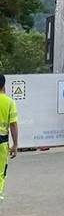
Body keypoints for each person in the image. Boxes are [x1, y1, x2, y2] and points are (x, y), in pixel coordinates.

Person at [0, 73, 19, 201]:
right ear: (3, 85)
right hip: (2, 141)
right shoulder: (9, 102)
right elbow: (13, 125)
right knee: (1, 172)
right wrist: (15, 144)